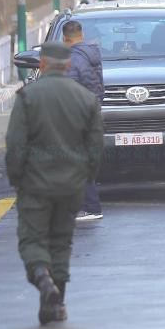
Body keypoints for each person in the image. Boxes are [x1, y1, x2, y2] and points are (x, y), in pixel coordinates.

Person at [6, 41, 103, 325]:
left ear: (42, 64)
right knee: (61, 242)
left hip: (35, 183)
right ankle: (55, 303)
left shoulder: (28, 97)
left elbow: (15, 144)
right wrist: (86, 176)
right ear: (69, 66)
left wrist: (17, 178)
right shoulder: (85, 98)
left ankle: (42, 278)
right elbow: (96, 145)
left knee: (32, 239)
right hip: (72, 185)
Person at [63, 21, 105, 221]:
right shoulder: (92, 55)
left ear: (65, 39)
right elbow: (99, 87)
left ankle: (89, 206)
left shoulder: (73, 59)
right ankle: (87, 205)